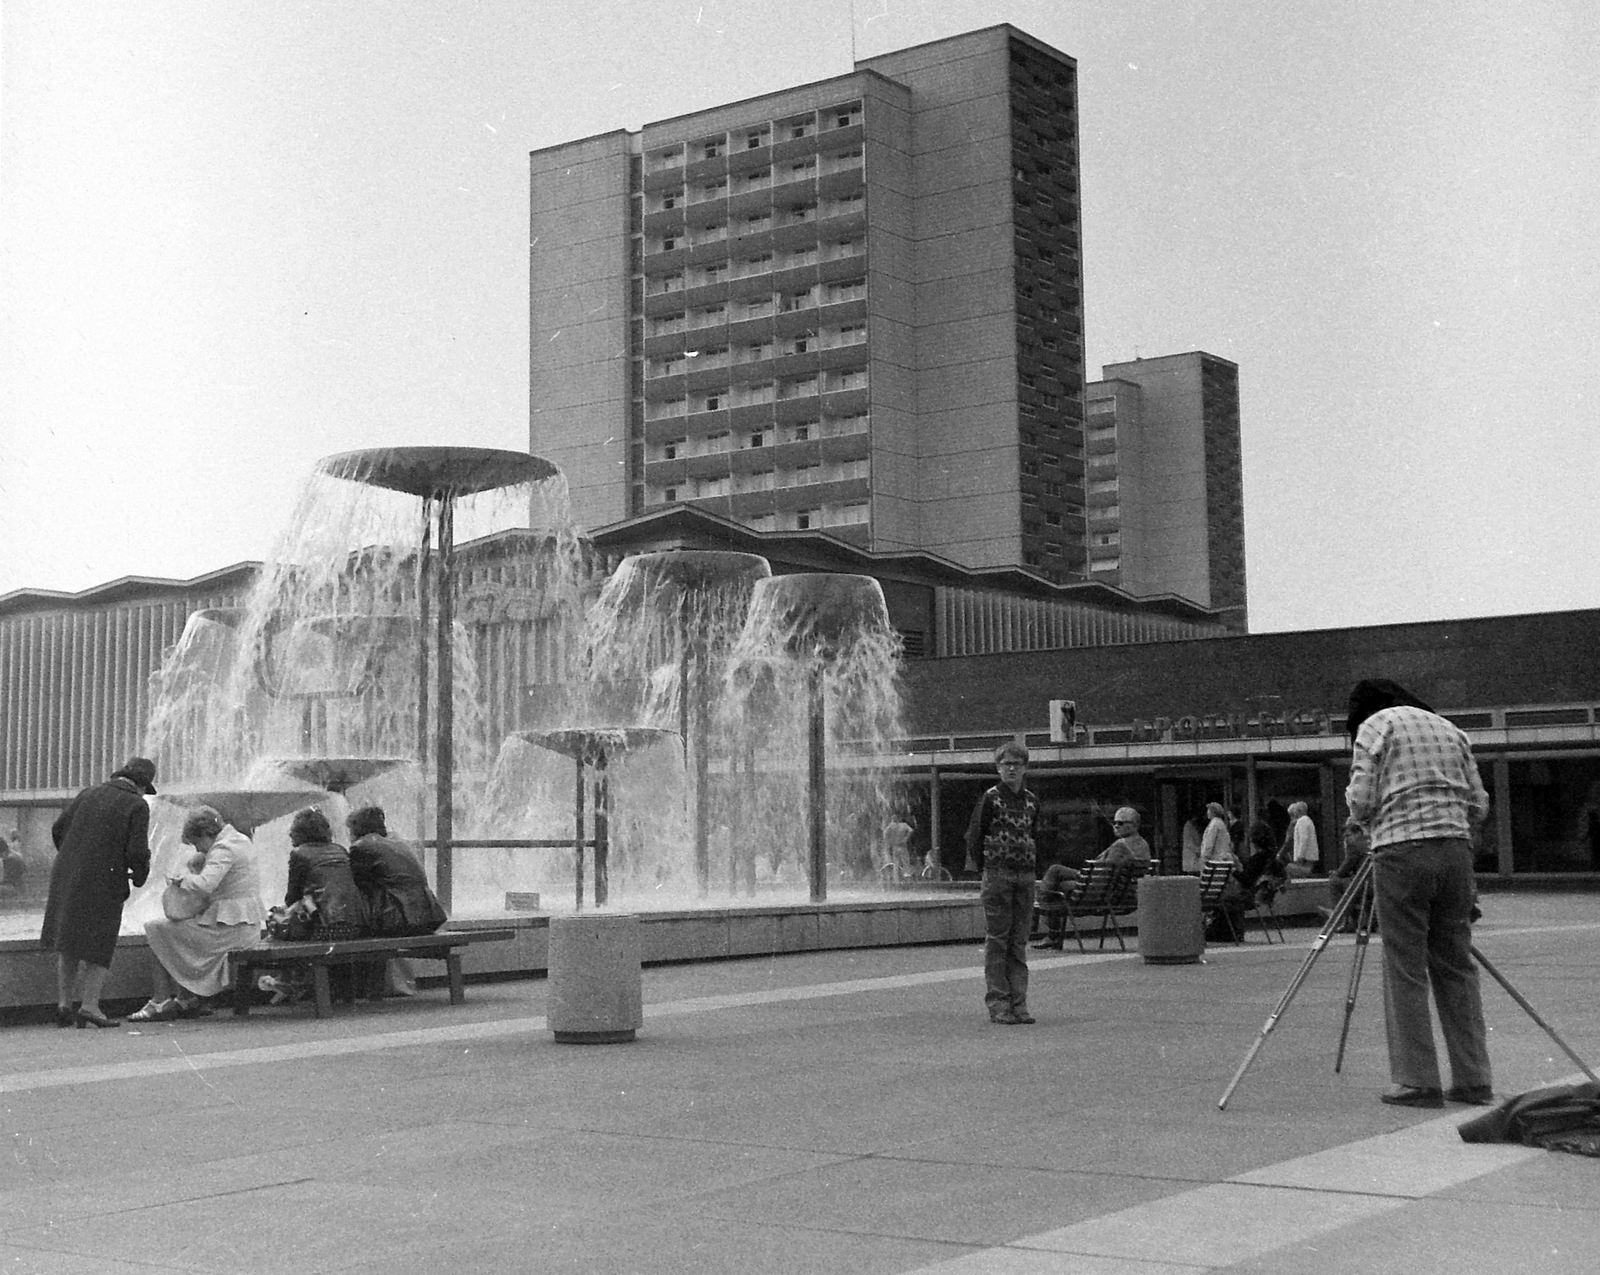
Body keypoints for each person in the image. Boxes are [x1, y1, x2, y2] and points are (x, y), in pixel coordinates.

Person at [1346, 677, 1494, 1109]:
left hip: (1401, 853)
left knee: (1405, 968)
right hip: (1455, 852)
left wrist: (1361, 819)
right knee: (1456, 966)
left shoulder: (1375, 727)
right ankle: (1473, 1079)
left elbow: (1362, 800)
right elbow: (1478, 803)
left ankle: (1417, 1081)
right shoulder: (1450, 728)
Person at [39, 757, 156, 1028]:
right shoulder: (137, 804)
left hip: (66, 875)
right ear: (142, 785)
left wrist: (74, 857)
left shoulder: (88, 793)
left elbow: (58, 829)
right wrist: (139, 875)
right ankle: (90, 1006)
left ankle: (64, 1006)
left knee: (69, 939)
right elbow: (137, 851)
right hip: (105, 879)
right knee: (100, 942)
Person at [128, 806, 265, 1022]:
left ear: (204, 834)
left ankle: (161, 1001)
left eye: (196, 842)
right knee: (180, 932)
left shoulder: (224, 848)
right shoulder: (239, 840)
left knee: (155, 929)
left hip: (231, 932)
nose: (197, 848)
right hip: (245, 927)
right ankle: (186, 998)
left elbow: (205, 885)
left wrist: (181, 880)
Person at [964, 741, 1041, 1025]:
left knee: (1018, 941)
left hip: (1025, 875)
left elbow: (1034, 834)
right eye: (1005, 764)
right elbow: (974, 837)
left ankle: (1019, 1004)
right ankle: (999, 1003)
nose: (1011, 769)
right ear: (998, 768)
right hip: (998, 874)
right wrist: (987, 870)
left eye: (1016, 764)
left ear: (1025, 768)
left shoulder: (1032, 801)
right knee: (998, 941)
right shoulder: (990, 798)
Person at [1032, 806, 1150, 950]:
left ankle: (1040, 915)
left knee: (1055, 874)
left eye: (1121, 823)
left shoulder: (1121, 847)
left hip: (1099, 893)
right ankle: (1048, 925)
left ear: (1135, 825)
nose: (1116, 826)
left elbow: (1102, 876)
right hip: (1118, 894)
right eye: (1115, 822)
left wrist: (1084, 877)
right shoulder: (1143, 845)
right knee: (1056, 882)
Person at [285, 808, 369, 940]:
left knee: (277, 925)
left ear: (300, 833)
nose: (290, 834)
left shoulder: (299, 853)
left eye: (293, 830)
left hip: (323, 928)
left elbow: (292, 898)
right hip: (354, 927)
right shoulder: (340, 849)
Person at [1282, 801, 1319, 878]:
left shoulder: (1302, 821)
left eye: (1295, 810)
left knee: (1291, 869)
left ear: (1299, 811)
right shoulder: (1308, 821)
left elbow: (1303, 838)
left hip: (1305, 856)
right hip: (1308, 855)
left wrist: (1300, 855)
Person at [0, 836, 26, 900]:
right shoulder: (15, 855)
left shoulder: (9, 859)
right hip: (16, 886)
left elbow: (6, 879)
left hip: (13, 887)